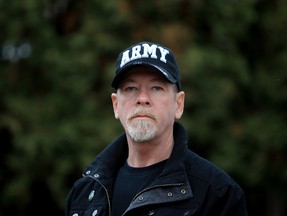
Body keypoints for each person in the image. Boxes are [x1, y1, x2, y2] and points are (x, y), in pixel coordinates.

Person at [65, 41, 248, 216]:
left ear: (178, 104)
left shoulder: (217, 193)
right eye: (130, 88)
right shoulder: (85, 192)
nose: (142, 98)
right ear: (115, 105)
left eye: (156, 88)